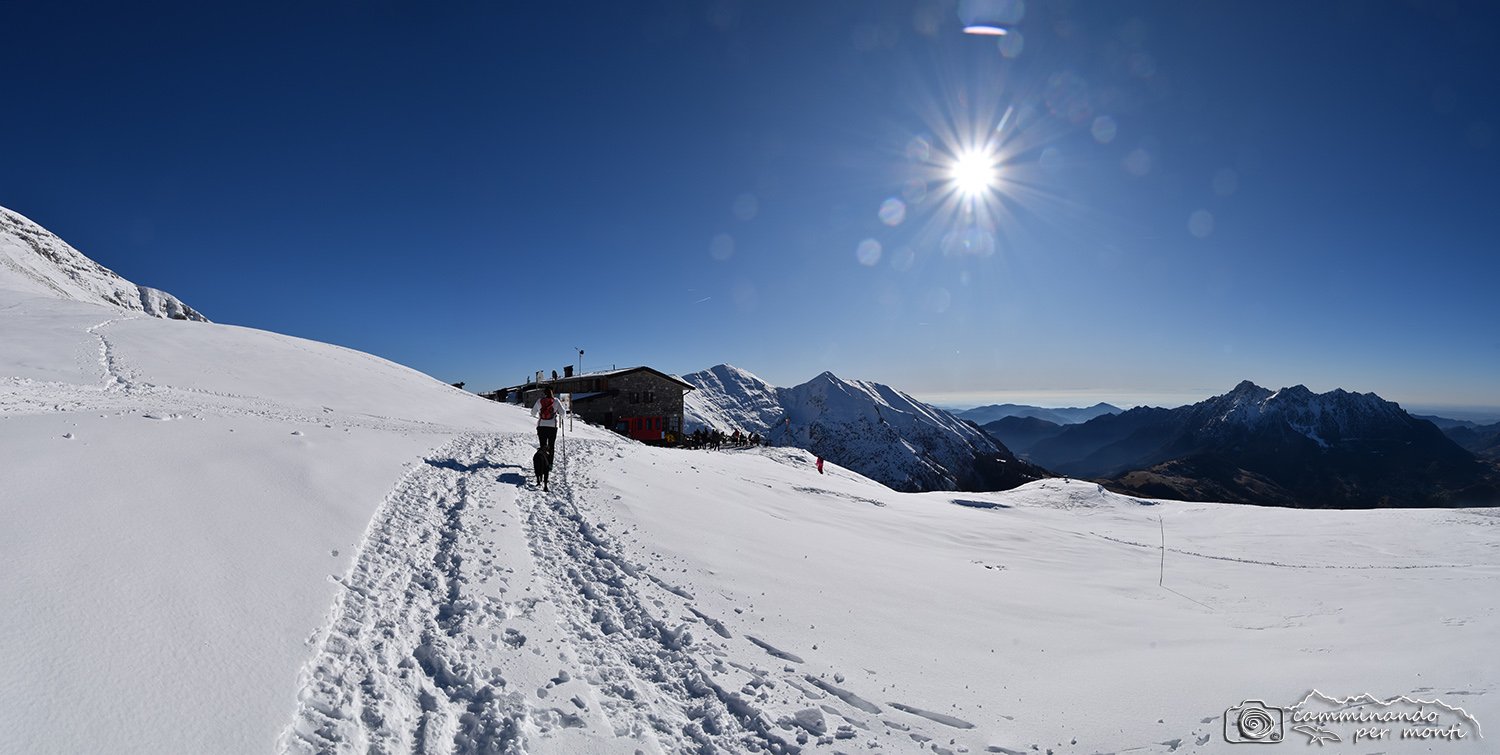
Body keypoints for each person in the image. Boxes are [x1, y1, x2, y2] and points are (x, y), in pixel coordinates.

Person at [533, 387, 563, 459]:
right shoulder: (556, 401)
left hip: (541, 426)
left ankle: (543, 463)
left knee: (543, 446)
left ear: (544, 393)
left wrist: (540, 414)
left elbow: (533, 413)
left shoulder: (539, 401)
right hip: (552, 427)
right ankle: (550, 465)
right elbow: (563, 413)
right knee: (551, 446)